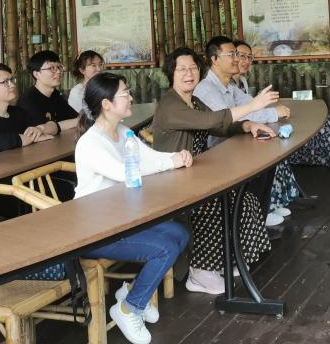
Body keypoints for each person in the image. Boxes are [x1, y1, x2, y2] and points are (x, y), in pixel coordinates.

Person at [74, 72, 191, 344]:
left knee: (180, 234)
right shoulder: (90, 144)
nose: (131, 98)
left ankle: (131, 294)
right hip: (95, 231)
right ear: (106, 104)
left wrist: (176, 156)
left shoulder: (124, 132)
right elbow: (127, 173)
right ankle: (129, 308)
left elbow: (149, 157)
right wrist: (170, 163)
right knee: (165, 248)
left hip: (123, 221)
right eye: (125, 94)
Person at [151, 46, 278, 295]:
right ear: (171, 73)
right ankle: (199, 272)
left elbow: (219, 126)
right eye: (182, 69)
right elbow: (212, 120)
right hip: (173, 182)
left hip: (196, 175)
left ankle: (227, 259)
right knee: (213, 206)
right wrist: (253, 106)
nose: (189, 73)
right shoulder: (170, 105)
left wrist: (247, 126)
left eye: (193, 68)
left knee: (244, 201)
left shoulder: (194, 102)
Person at [194, 37, 295, 227]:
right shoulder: (206, 89)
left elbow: (252, 107)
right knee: (261, 160)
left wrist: (271, 110)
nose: (237, 59)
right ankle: (253, 218)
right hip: (217, 153)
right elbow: (230, 120)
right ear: (214, 59)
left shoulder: (229, 86)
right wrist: (274, 113)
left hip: (236, 143)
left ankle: (260, 213)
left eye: (236, 54)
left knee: (269, 157)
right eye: (231, 55)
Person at [0, 62, 56, 155]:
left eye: (12, 80)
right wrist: (34, 137)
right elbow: (5, 142)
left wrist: (40, 129)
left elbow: (53, 125)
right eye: (5, 82)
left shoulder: (19, 112)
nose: (12, 85)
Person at [17, 50, 79, 132]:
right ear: (36, 74)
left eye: (59, 67)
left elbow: (76, 118)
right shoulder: (27, 100)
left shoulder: (55, 95)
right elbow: (45, 129)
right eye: (51, 68)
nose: (58, 72)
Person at [68, 50, 104, 114]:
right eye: (93, 65)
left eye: (100, 64)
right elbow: (80, 117)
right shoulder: (77, 92)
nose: (99, 69)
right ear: (82, 70)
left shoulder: (103, 86)